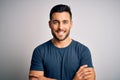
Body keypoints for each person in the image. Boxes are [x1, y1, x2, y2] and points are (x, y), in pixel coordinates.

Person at [29, 4, 96, 80]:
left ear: (71, 24)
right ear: (50, 24)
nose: (60, 27)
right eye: (55, 22)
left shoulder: (83, 51)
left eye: (65, 22)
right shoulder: (39, 51)